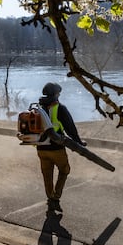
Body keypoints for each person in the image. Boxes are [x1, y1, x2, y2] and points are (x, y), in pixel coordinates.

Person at [36, 82, 85, 214]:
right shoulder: (59, 108)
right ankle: (55, 199)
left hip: (41, 148)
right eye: (59, 93)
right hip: (56, 148)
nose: (59, 95)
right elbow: (70, 128)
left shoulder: (37, 107)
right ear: (55, 94)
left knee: (47, 175)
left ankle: (50, 199)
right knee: (64, 170)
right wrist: (79, 142)